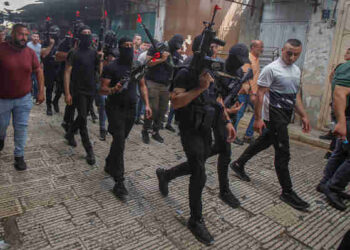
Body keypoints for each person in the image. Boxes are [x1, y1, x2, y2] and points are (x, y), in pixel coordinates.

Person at [155, 37, 244, 246]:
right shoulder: (186, 71)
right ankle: (195, 220)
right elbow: (175, 102)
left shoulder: (209, 72)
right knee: (199, 173)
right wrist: (200, 89)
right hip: (190, 129)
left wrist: (228, 121)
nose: (215, 53)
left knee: (199, 164)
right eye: (212, 48)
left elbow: (217, 98)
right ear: (200, 49)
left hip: (205, 128)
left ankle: (166, 175)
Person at [230, 39, 311, 211]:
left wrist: (303, 115)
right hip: (273, 116)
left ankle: (238, 164)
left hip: (286, 114)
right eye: (289, 52)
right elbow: (260, 95)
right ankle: (287, 191)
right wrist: (258, 118)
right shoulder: (271, 69)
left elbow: (295, 96)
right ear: (282, 50)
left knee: (264, 141)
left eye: (296, 54)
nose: (292, 56)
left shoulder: (296, 70)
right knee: (283, 153)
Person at [100, 37, 151, 200]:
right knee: (120, 141)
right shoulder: (111, 67)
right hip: (115, 108)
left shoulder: (136, 66)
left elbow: (142, 86)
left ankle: (109, 162)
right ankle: (119, 182)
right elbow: (102, 90)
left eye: (131, 45)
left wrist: (147, 105)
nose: (129, 48)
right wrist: (114, 89)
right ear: (120, 48)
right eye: (125, 46)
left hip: (131, 109)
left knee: (119, 141)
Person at [0, 23, 45, 170]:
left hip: (24, 98)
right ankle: (1, 137)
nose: (23, 38)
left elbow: (38, 70)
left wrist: (41, 91)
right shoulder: (2, 49)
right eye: (20, 34)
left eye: (26, 35)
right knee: (2, 126)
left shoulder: (30, 52)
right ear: (13, 33)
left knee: (21, 128)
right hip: (3, 99)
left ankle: (19, 156)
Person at [63, 25, 103, 165]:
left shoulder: (93, 53)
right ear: (80, 36)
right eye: (84, 33)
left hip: (90, 89)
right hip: (77, 89)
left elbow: (99, 71)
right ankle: (89, 151)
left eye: (89, 33)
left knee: (83, 116)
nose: (87, 35)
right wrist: (67, 92)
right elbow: (67, 72)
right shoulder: (73, 52)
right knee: (82, 118)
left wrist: (101, 58)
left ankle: (70, 132)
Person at [317, 49, 350, 211]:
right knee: (343, 153)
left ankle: (325, 183)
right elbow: (339, 93)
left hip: (345, 118)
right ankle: (334, 187)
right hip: (347, 118)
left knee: (341, 152)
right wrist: (341, 121)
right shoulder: (346, 68)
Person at [141, 34, 184, 144]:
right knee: (153, 109)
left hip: (166, 86)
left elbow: (176, 72)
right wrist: (162, 59)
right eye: (175, 45)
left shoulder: (176, 55)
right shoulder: (158, 48)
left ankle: (156, 131)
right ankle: (145, 130)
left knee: (162, 111)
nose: (176, 48)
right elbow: (148, 63)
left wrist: (172, 90)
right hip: (152, 82)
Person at [234, 40, 264, 145]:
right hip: (245, 92)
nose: (262, 49)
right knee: (239, 113)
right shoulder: (248, 58)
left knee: (259, 112)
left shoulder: (256, 59)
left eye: (262, 47)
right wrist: (252, 93)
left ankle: (248, 135)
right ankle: (232, 134)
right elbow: (246, 77)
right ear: (253, 48)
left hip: (253, 92)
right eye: (260, 47)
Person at [41, 25, 61, 116]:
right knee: (49, 88)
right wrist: (51, 44)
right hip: (49, 68)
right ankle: (49, 106)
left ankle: (55, 101)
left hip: (59, 68)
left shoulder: (61, 43)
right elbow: (44, 55)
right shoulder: (46, 42)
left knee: (61, 88)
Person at [27, 32, 42, 102]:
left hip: (37, 68)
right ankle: (28, 95)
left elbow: (41, 56)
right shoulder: (28, 45)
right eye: (34, 36)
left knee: (36, 83)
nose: (36, 38)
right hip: (29, 67)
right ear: (31, 37)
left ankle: (35, 96)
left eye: (37, 37)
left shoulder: (40, 46)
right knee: (28, 82)